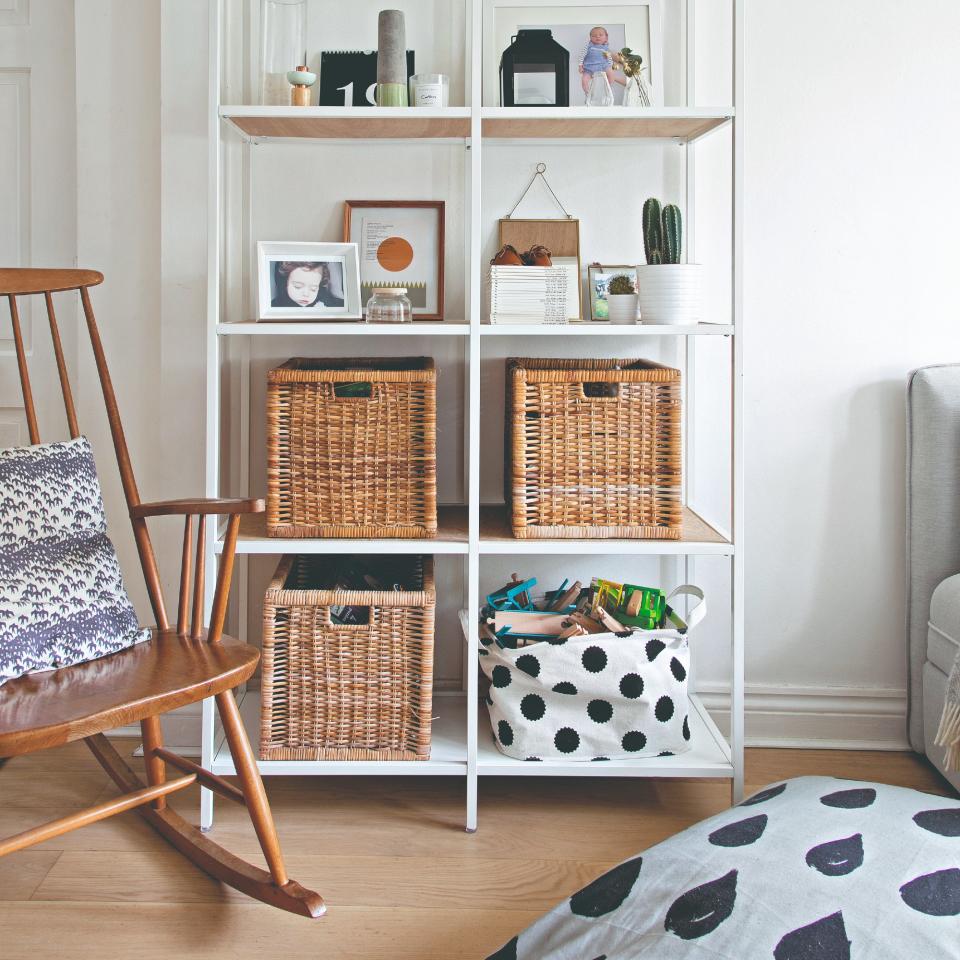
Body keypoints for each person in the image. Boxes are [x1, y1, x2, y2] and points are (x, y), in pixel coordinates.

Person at [578, 26, 626, 100]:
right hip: (589, 67)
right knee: (584, 80)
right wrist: (580, 66)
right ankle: (588, 93)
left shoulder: (606, 48)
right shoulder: (588, 47)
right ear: (590, 38)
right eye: (594, 36)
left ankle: (607, 89)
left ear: (606, 37)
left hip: (603, 66)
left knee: (611, 75)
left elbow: (609, 57)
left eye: (600, 35)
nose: (597, 37)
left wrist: (610, 66)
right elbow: (582, 56)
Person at [271, 261, 344, 308]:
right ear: (285, 282)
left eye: (313, 289)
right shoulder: (274, 307)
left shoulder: (331, 305)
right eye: (298, 287)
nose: (306, 294)